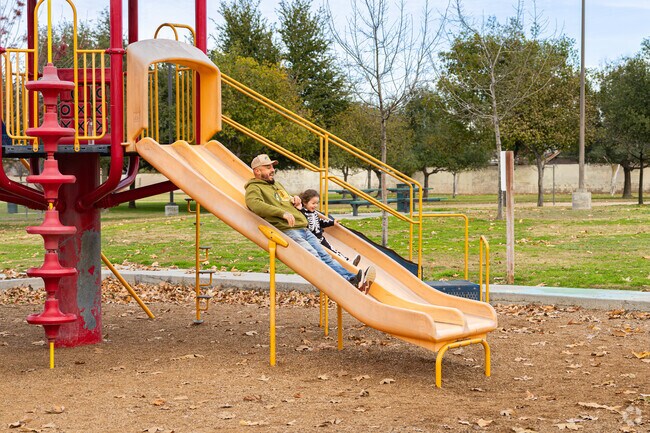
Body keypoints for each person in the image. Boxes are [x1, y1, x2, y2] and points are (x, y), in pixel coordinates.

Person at [244, 154, 375, 293]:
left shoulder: (276, 184)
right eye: (267, 167)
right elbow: (255, 204)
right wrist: (282, 213)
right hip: (289, 230)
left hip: (303, 228)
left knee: (325, 257)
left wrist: (294, 199)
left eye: (272, 166)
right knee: (313, 256)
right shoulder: (254, 188)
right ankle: (342, 287)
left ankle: (352, 280)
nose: (272, 169)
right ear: (257, 171)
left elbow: (285, 199)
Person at [298, 189, 361, 266]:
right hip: (312, 240)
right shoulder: (302, 213)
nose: (315, 205)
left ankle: (348, 261)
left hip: (320, 238)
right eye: (313, 203)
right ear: (305, 202)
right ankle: (345, 263)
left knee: (333, 250)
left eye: (317, 203)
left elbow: (321, 222)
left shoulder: (314, 213)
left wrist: (332, 222)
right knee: (326, 255)